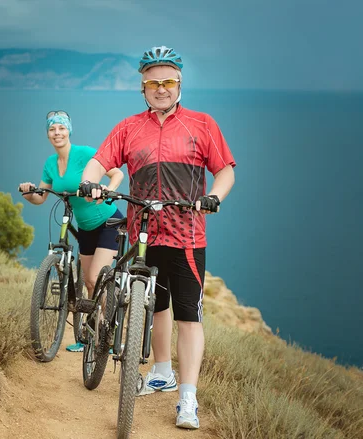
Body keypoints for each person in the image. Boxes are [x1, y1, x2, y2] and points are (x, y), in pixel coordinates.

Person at [78, 46, 236, 429]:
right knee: (155, 306)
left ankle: (187, 398)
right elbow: (100, 162)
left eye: (167, 82)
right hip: (143, 233)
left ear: (179, 84)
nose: (160, 89)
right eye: (153, 83)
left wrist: (214, 196)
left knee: (187, 315)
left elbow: (226, 170)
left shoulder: (202, 124)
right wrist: (90, 182)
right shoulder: (129, 127)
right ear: (143, 88)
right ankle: (161, 371)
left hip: (187, 235)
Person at [19, 110, 125, 352]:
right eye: (52, 129)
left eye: (61, 128)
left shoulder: (85, 153)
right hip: (85, 227)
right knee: (89, 283)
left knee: (98, 277)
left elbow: (117, 172)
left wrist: (108, 190)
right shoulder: (50, 164)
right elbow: (41, 197)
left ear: (69, 130)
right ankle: (90, 333)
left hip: (108, 222)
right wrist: (28, 192)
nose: (57, 133)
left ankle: (106, 335)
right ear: (47, 134)